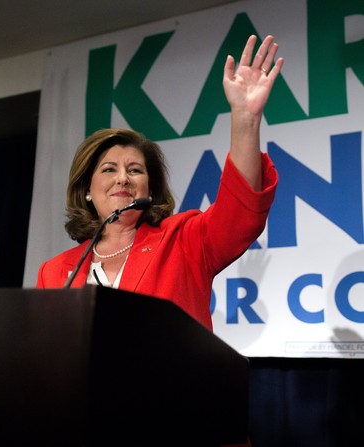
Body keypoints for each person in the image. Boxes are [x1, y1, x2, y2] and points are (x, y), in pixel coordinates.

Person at [36, 35, 283, 331]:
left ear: (150, 189)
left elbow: (239, 213)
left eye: (135, 170)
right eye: (109, 169)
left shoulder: (183, 242)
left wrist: (245, 119)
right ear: (86, 191)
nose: (122, 178)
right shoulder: (55, 273)